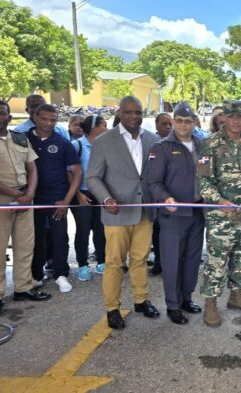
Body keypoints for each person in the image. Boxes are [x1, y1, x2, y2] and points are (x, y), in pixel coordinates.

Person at [86, 96, 161, 330]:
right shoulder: (104, 141)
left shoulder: (152, 139)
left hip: (144, 212)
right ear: (120, 113)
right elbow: (93, 176)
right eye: (128, 112)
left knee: (140, 260)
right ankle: (112, 308)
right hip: (117, 212)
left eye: (138, 112)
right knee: (115, 263)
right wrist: (106, 198)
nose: (134, 117)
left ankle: (141, 300)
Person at [199, 100, 241, 328]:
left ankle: (236, 296)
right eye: (232, 116)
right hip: (221, 217)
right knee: (217, 261)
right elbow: (203, 181)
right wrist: (220, 201)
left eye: (240, 116)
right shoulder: (209, 144)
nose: (236, 120)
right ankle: (210, 304)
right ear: (223, 117)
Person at [0, 99, 51, 319]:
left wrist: (29, 193)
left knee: (25, 244)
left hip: (25, 197)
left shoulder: (20, 139)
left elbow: (32, 167)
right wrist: (15, 195)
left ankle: (24, 287)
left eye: (2, 113)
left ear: (9, 117)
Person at [146, 102, 205, 325]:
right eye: (179, 120)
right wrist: (165, 198)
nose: (183, 124)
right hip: (173, 214)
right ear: (172, 122)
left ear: (194, 123)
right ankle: (173, 305)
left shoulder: (201, 145)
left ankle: (186, 298)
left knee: (191, 259)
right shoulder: (161, 147)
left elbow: (206, 176)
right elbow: (153, 182)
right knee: (172, 262)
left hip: (197, 212)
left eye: (187, 121)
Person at [26, 105, 82, 292]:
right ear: (35, 117)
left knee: (59, 237)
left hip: (57, 199)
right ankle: (35, 275)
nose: (48, 123)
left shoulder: (63, 143)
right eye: (44, 119)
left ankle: (61, 274)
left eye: (53, 120)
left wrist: (66, 200)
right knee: (34, 239)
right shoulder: (23, 139)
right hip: (31, 200)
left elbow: (76, 172)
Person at [71, 115, 108, 280]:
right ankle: (82, 266)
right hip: (82, 194)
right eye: (104, 125)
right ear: (95, 127)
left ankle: (102, 262)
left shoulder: (105, 146)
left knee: (100, 230)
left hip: (100, 193)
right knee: (83, 230)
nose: (106, 128)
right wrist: (78, 194)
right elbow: (69, 172)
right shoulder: (76, 145)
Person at [150, 113, 173, 276]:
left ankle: (170, 263)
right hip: (155, 197)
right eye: (164, 124)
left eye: (170, 124)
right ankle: (159, 261)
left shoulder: (176, 144)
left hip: (173, 197)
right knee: (157, 232)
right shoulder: (152, 143)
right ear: (156, 125)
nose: (168, 127)